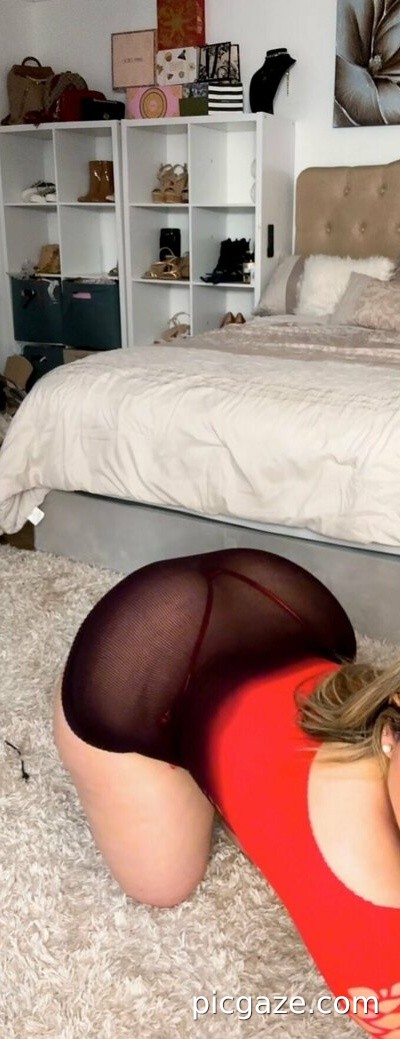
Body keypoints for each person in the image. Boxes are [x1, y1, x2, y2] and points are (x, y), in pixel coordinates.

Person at [53, 548, 400, 1038]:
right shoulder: (370, 924)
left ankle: (221, 744)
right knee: (162, 885)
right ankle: (99, 710)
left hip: (282, 603)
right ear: (392, 729)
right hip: (134, 667)